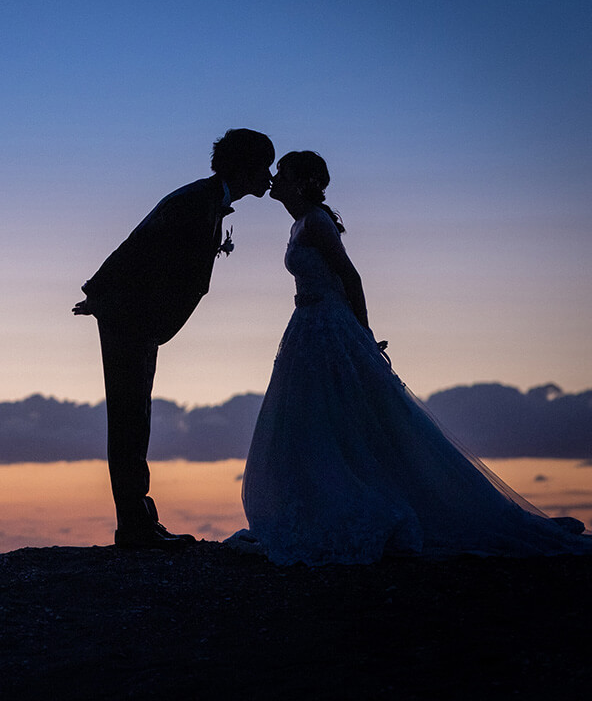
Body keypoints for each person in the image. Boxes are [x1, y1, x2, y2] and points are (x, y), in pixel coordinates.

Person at [229, 150, 591, 565]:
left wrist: (362, 335)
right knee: (310, 420)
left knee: (335, 417)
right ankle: (310, 507)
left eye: (284, 173)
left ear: (301, 182)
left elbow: (351, 277)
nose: (274, 178)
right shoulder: (299, 224)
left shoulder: (316, 223)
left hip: (328, 325)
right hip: (306, 324)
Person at [75, 128, 275, 549]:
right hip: (127, 318)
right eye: (264, 166)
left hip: (138, 320)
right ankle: (134, 525)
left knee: (137, 416)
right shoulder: (194, 202)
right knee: (129, 417)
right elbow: (139, 245)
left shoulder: (207, 201)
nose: (269, 176)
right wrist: (100, 295)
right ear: (244, 167)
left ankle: (140, 517)